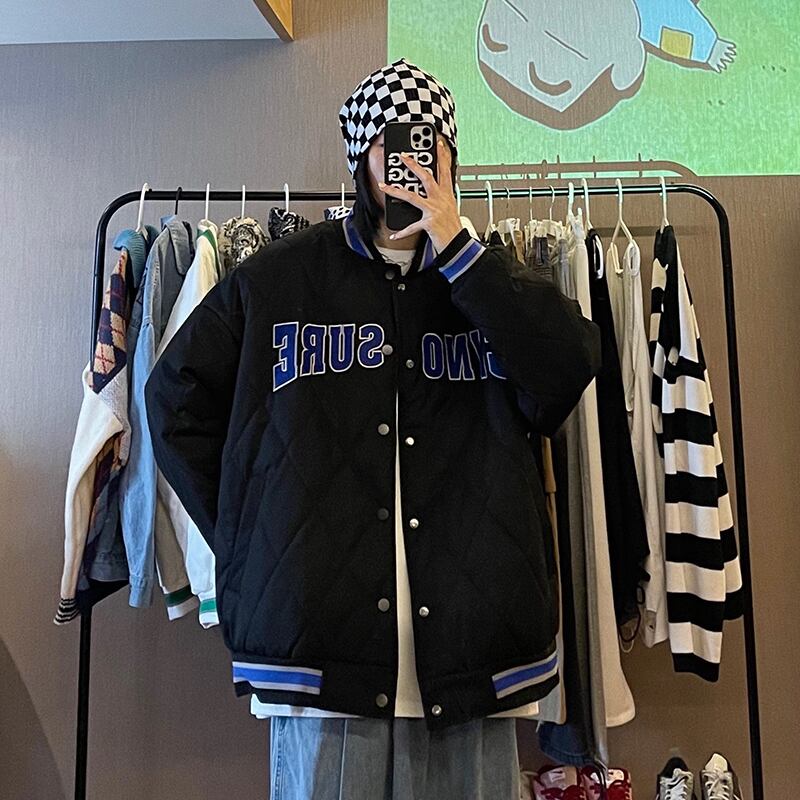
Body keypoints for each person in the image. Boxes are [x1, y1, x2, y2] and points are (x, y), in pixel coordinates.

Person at [146, 58, 602, 800]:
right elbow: (173, 399)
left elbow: (566, 370)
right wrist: (247, 535)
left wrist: (460, 252)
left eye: (428, 145)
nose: (411, 165)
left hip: (472, 649)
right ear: (361, 159)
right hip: (319, 656)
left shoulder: (493, 281)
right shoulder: (276, 282)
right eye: (394, 146)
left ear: (452, 158)